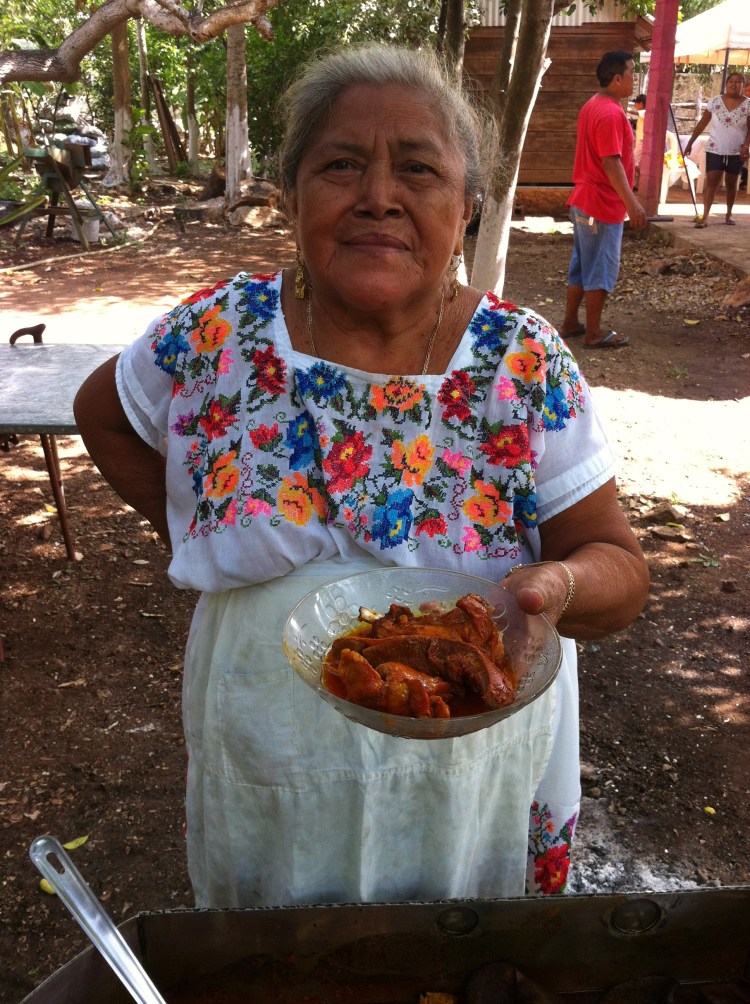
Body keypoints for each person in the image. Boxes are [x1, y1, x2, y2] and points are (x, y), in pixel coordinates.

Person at [73, 44, 649, 909]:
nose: (378, 196)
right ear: (293, 195)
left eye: (418, 169)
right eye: (341, 164)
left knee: (466, 960)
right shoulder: (220, 330)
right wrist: (201, 530)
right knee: (279, 964)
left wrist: (558, 583)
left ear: (468, 207)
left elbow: (617, 565)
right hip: (270, 745)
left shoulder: (522, 359)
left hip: (475, 755)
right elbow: (104, 412)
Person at [559, 52, 647, 350]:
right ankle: (593, 332)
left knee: (582, 264)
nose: (635, 78)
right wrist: (632, 203)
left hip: (584, 201)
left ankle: (571, 323)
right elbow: (611, 162)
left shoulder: (593, 105)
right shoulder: (610, 112)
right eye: (632, 72)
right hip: (601, 203)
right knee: (601, 267)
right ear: (617, 78)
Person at [685, 72, 750, 227]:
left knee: (731, 182)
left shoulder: (748, 104)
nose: (734, 84)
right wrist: (690, 142)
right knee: (712, 180)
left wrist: (746, 145)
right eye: (731, 81)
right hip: (715, 147)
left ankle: (728, 214)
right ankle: (705, 216)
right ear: (726, 84)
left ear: (744, 85)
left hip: (736, 150)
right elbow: (702, 123)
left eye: (738, 82)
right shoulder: (715, 102)